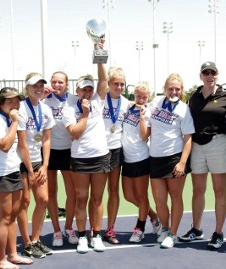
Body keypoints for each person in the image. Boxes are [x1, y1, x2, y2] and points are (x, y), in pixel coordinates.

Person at [183, 61, 226, 249]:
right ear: (201, 76)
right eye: (206, 72)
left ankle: (218, 232)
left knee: (219, 190)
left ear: (217, 74)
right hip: (197, 146)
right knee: (198, 190)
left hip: (218, 144)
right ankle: (196, 229)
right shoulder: (194, 96)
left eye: (212, 72)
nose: (209, 76)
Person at [62, 47, 109, 254]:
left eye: (90, 88)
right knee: (81, 198)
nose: (88, 92)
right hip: (80, 158)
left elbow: (103, 80)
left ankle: (96, 235)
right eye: (84, 89)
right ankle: (82, 237)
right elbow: (75, 133)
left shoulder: (99, 100)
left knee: (98, 198)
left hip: (100, 156)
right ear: (77, 91)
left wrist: (99, 56)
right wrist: (85, 114)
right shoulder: (69, 109)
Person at [0, 87, 33, 269]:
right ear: (1, 103)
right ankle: (0, 260)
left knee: (12, 216)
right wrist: (14, 123)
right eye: (10, 101)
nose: (15, 104)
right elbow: (4, 146)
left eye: (17, 101)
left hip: (13, 171)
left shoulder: (8, 120)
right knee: (3, 218)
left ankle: (12, 255)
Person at [149, 73, 195, 248]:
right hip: (155, 158)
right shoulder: (156, 102)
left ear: (181, 90)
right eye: (170, 88)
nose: (173, 91)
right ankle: (166, 229)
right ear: (164, 89)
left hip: (174, 157)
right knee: (159, 199)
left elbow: (188, 138)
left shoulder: (184, 109)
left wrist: (182, 162)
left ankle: (173, 233)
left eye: (177, 88)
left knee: (175, 197)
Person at [17, 73, 56, 258]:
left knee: (43, 200)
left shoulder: (46, 109)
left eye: (41, 85)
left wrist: (45, 165)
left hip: (38, 162)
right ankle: (26, 243)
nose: (38, 88)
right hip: (21, 162)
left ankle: (35, 239)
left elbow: (46, 140)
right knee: (24, 202)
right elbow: (22, 144)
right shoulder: (21, 109)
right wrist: (31, 171)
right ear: (27, 88)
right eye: (34, 85)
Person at [121, 81, 161, 243]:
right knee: (128, 196)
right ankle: (153, 216)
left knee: (141, 196)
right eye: (138, 96)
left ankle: (139, 228)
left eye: (144, 96)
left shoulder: (149, 112)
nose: (141, 99)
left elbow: (144, 136)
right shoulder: (129, 108)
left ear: (148, 97)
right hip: (126, 159)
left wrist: (143, 117)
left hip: (141, 158)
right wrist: (134, 104)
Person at [43, 71, 78, 247]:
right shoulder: (44, 99)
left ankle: (69, 227)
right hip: (49, 150)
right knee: (51, 193)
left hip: (69, 150)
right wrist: (42, 95)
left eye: (60, 82)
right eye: (54, 82)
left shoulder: (73, 99)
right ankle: (56, 231)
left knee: (72, 193)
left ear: (67, 84)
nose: (57, 85)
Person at [101, 67, 130, 244]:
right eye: (115, 83)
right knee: (96, 195)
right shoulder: (100, 100)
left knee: (113, 191)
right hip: (98, 151)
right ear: (109, 83)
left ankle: (110, 229)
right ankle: (95, 228)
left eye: (122, 84)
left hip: (116, 151)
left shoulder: (126, 103)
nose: (119, 87)